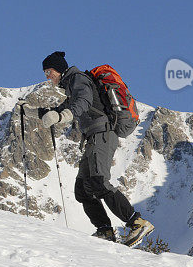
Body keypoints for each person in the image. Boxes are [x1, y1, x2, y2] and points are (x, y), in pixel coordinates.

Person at [36, 51, 154, 247]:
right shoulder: (71, 85)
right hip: (93, 137)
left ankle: (137, 223)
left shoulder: (78, 79)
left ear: (58, 69)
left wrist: (61, 117)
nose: (48, 77)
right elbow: (62, 108)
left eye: (49, 72)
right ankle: (105, 231)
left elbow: (82, 103)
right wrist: (32, 111)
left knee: (99, 181)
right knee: (82, 189)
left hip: (103, 134)